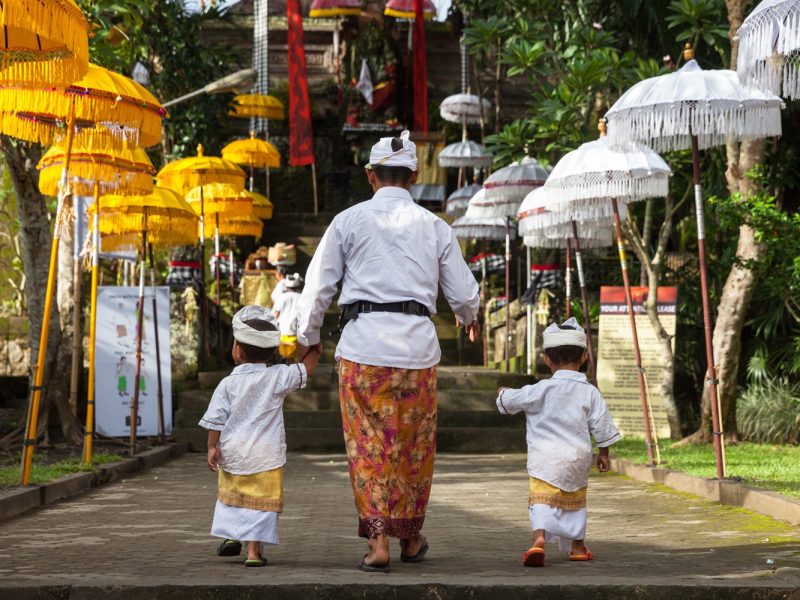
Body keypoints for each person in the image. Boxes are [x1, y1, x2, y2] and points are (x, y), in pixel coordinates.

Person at [297, 130, 481, 573]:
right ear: (414, 177)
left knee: (370, 448)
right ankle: (412, 539)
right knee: (413, 447)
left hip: (363, 349)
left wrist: (308, 336)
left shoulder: (348, 221)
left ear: (370, 176)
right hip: (417, 350)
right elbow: (463, 293)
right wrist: (468, 314)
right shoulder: (435, 226)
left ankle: (379, 542)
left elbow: (318, 285)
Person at [199, 305, 322, 567]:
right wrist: (315, 351)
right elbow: (305, 370)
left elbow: (215, 420)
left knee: (233, 496)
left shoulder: (227, 384)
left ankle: (233, 535)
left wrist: (212, 447)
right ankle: (253, 552)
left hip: (233, 451)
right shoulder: (277, 376)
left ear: (237, 350)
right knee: (262, 503)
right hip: (267, 454)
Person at [495, 317, 620, 567]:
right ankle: (577, 547)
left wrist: (502, 393)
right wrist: (603, 454)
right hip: (577, 458)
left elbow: (509, 401)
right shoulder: (590, 392)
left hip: (545, 459)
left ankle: (539, 540)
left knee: (542, 500)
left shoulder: (539, 389)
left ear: (547, 359)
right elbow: (602, 425)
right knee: (575, 501)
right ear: (583, 357)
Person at [272, 273, 304, 359]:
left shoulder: (281, 297)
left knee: (283, 356)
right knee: (294, 358)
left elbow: (275, 314)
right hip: (297, 332)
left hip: (283, 331)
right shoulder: (302, 297)